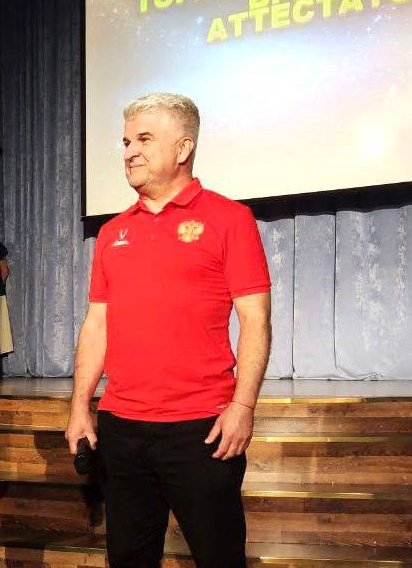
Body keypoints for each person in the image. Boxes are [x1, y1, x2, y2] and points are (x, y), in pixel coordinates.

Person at [65, 93, 272, 567]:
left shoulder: (229, 219)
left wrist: (243, 406)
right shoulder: (112, 233)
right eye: (126, 142)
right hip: (122, 428)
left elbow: (256, 320)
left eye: (144, 139)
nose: (130, 152)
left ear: (183, 147)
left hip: (202, 429)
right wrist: (80, 406)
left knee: (219, 557)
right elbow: (97, 324)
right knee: (128, 558)